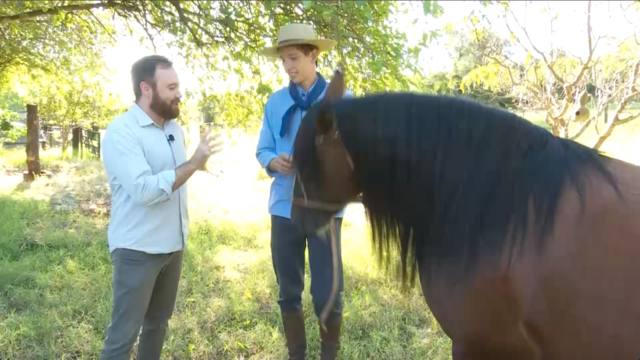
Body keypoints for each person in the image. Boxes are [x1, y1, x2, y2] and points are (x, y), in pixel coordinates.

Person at [100, 55, 222, 360]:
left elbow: (173, 172)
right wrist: (193, 163)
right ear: (146, 89)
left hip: (172, 246)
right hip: (137, 250)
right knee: (122, 337)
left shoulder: (173, 129)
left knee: (157, 326)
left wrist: (199, 166)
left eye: (177, 85)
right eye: (171, 87)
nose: (178, 93)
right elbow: (143, 189)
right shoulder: (122, 132)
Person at [256, 23, 346, 360]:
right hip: (284, 207)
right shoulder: (276, 102)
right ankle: (297, 355)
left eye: (294, 58)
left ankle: (328, 356)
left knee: (328, 293)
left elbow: (352, 154)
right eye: (283, 60)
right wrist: (272, 160)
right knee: (288, 290)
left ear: (314, 55)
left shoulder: (341, 101)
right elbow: (263, 147)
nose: (288, 66)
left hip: (324, 210)